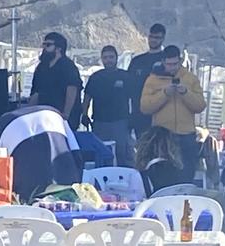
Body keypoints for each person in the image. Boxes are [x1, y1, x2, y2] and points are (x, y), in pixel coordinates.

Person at [137, 45, 208, 186]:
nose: (172, 67)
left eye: (175, 64)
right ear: (163, 62)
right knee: (163, 176)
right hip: (163, 136)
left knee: (186, 175)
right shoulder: (153, 80)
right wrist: (164, 94)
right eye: (169, 64)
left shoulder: (190, 78)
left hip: (186, 135)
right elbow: (145, 107)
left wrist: (185, 93)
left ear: (180, 61)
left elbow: (200, 105)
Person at [84, 44, 136, 168]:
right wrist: (84, 114)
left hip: (120, 122)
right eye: (105, 57)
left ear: (116, 58)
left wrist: (133, 118)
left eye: (111, 57)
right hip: (99, 122)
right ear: (102, 59)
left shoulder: (125, 76)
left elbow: (133, 99)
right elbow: (87, 97)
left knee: (121, 153)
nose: (108, 60)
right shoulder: (95, 77)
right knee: (101, 152)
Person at [30, 32, 83, 123]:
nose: (44, 48)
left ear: (59, 48)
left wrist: (66, 114)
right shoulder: (42, 67)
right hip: (44, 116)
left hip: (63, 117)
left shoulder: (68, 66)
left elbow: (72, 89)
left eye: (48, 45)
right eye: (44, 44)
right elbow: (36, 92)